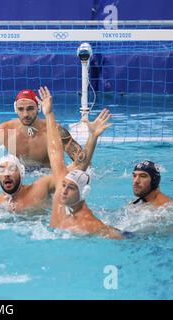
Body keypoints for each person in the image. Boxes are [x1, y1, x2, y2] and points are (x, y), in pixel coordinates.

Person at [0, 107, 113, 215]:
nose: (7, 173)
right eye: (2, 170)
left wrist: (93, 137)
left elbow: (79, 166)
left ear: (21, 172)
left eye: (11, 168)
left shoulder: (41, 188)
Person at [40, 86, 125, 239]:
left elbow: (122, 238)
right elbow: (54, 152)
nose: (63, 190)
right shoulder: (61, 193)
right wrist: (49, 114)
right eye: (64, 185)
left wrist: (93, 137)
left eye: (70, 188)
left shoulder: (90, 225)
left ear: (82, 193)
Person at [0, 89, 83, 175]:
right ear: (16, 109)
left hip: (47, 177)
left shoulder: (55, 131)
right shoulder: (4, 131)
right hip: (17, 178)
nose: (25, 114)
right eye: (21, 109)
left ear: (39, 108)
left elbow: (82, 162)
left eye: (30, 108)